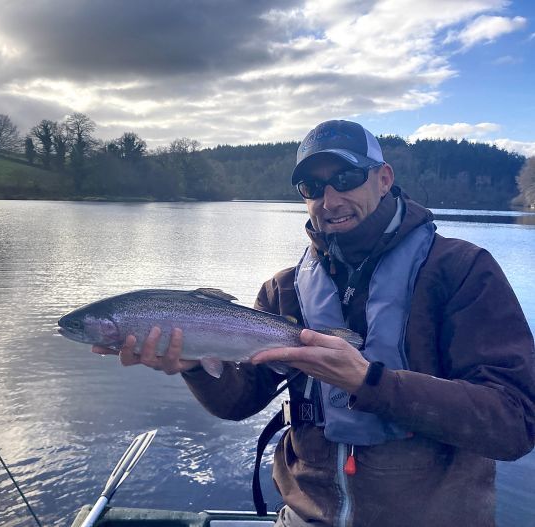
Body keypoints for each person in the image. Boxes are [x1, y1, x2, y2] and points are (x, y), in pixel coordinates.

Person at [93, 120, 535, 527]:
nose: (331, 199)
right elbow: (239, 403)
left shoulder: (461, 270)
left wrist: (370, 382)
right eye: (313, 186)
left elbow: (515, 423)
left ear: (384, 179)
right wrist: (193, 365)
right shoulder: (284, 290)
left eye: (346, 179)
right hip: (305, 517)